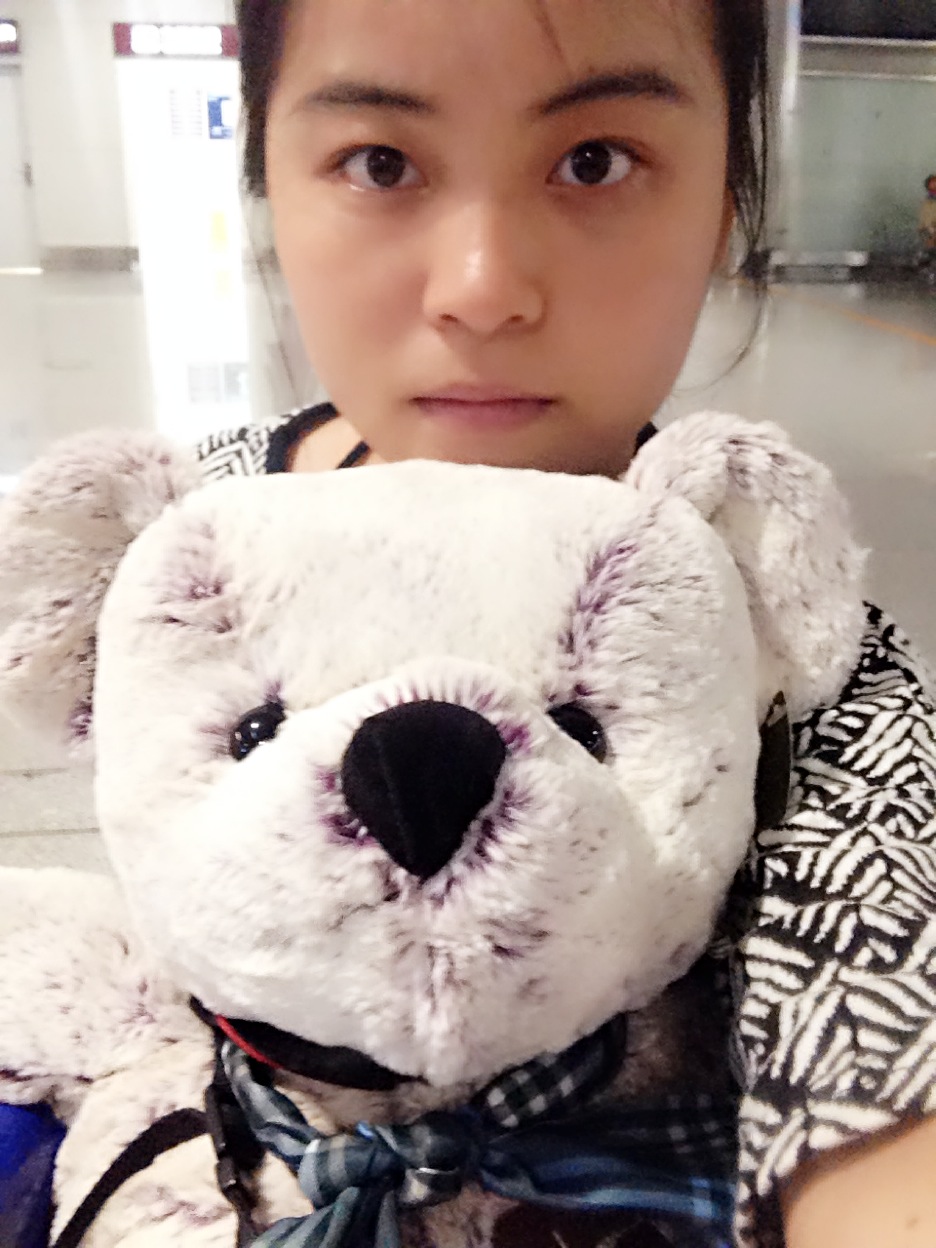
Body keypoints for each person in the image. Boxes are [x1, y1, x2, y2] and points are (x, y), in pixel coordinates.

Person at [195, 2, 936, 1245]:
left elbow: (882, 1016)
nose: (481, 291)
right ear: (270, 177)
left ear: (726, 204)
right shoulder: (199, 537)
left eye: (594, 161)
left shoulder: (779, 624)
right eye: (381, 162)